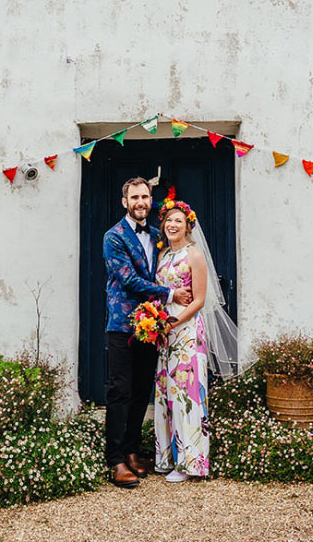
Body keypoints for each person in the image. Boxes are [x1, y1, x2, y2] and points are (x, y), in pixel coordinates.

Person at [102, 177, 192, 489]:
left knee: (142, 391)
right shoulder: (113, 237)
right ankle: (115, 459)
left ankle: (131, 450)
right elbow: (128, 279)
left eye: (145, 197)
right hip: (122, 326)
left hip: (151, 328)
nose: (141, 202)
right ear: (124, 202)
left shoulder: (156, 236)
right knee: (119, 391)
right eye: (135, 197)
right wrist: (170, 294)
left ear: (150, 200)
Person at [152, 198, 210, 481]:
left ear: (188, 226)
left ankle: (190, 464)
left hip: (185, 331)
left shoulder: (193, 255)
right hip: (164, 333)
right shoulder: (162, 257)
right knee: (165, 392)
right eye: (169, 220)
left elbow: (199, 300)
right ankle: (166, 457)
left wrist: (173, 321)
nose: (172, 225)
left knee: (186, 393)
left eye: (179, 221)